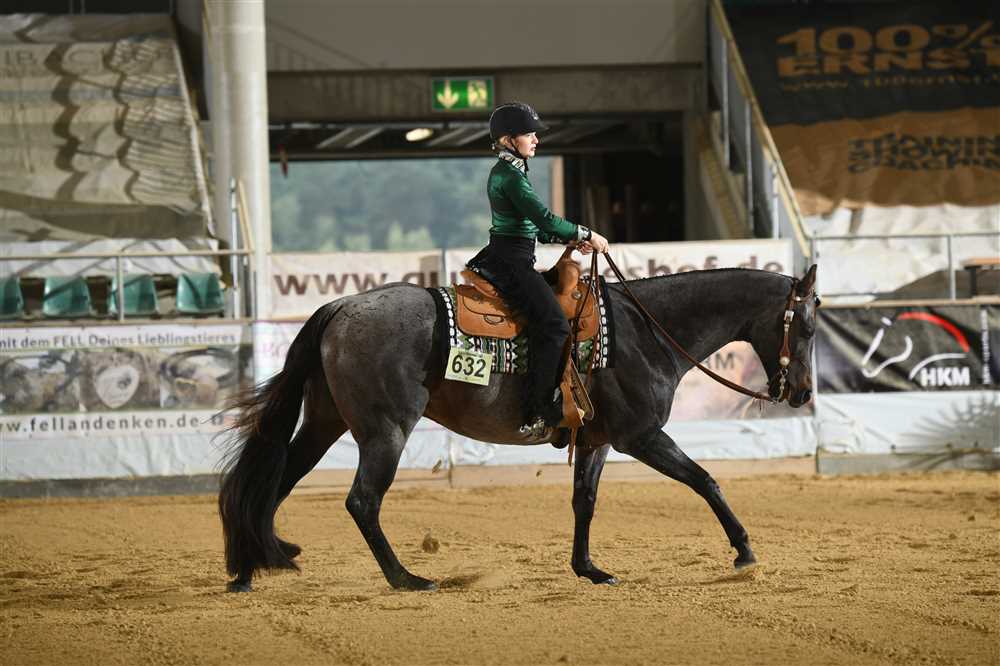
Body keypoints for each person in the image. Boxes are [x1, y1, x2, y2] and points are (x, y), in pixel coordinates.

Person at [466, 102, 610, 437]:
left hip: (509, 257)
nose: (536, 140)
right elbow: (544, 219)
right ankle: (539, 409)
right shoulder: (509, 176)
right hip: (511, 264)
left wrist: (570, 240)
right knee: (556, 325)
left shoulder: (511, 172)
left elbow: (535, 229)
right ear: (508, 140)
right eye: (529, 134)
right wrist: (587, 234)